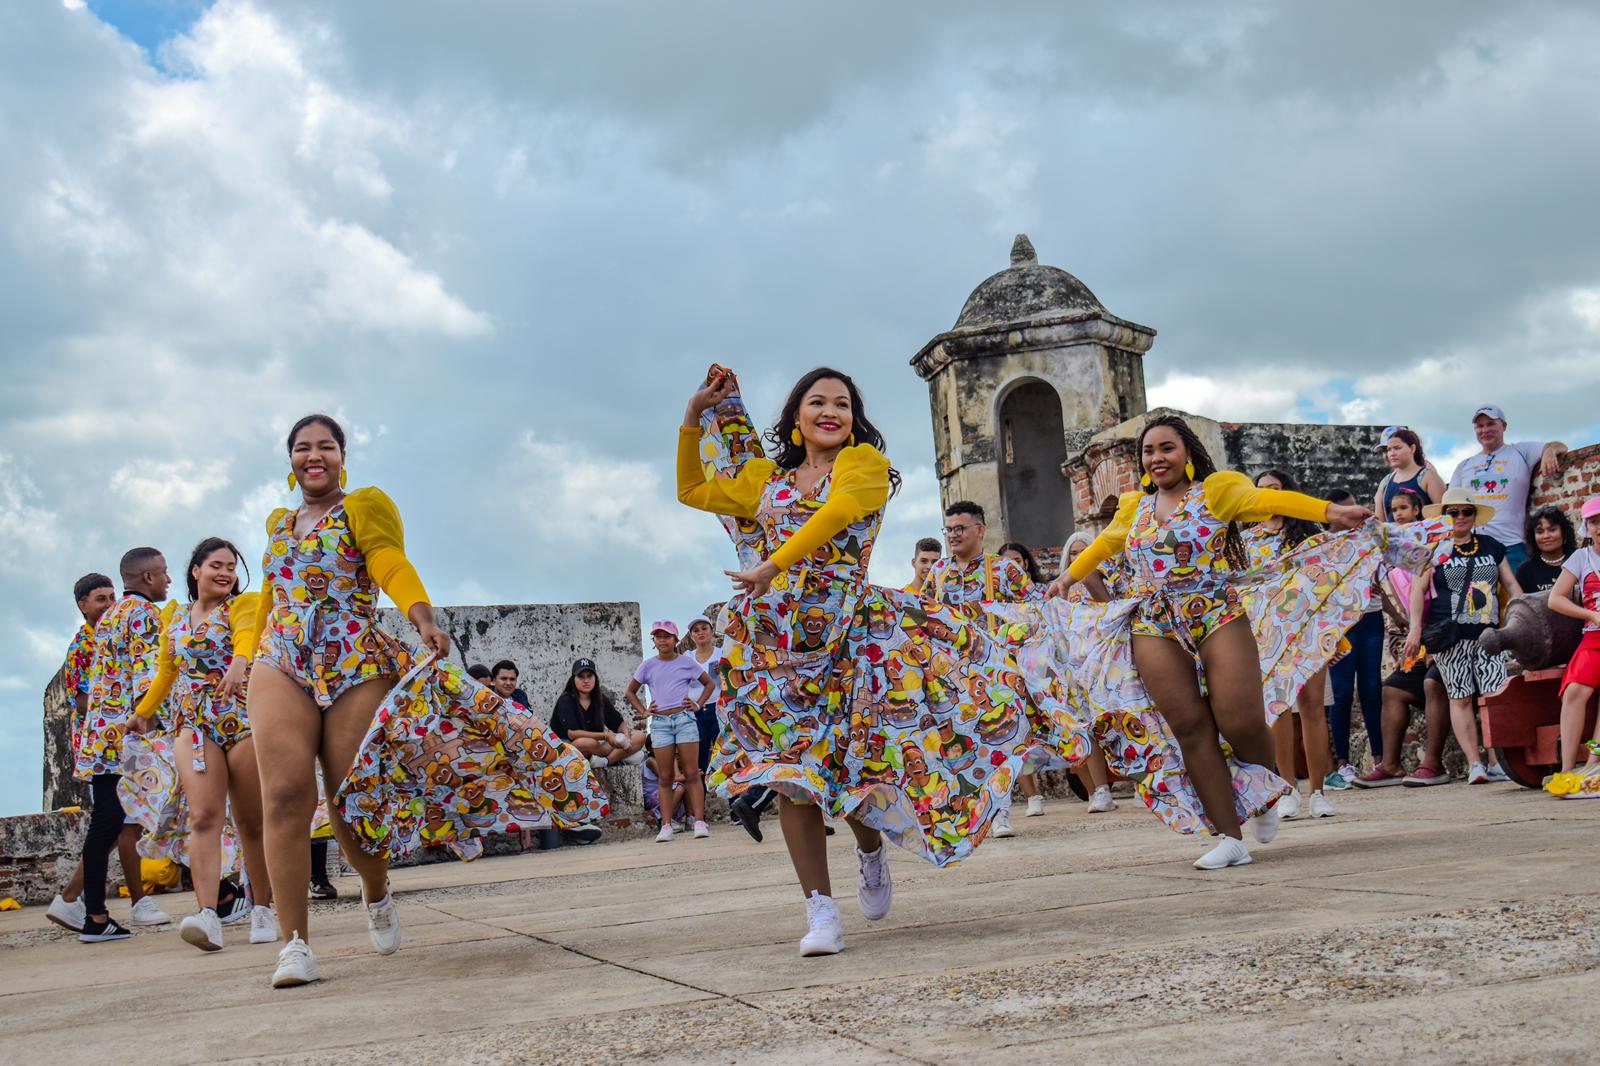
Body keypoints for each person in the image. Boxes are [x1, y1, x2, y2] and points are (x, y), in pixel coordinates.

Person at [681, 364, 1070, 955]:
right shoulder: (766, 480)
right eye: (817, 402)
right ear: (795, 418)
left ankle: (870, 852)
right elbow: (693, 490)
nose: (830, 411)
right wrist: (692, 417)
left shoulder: (862, 466)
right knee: (792, 779)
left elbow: (838, 515)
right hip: (775, 646)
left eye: (842, 403)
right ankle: (820, 912)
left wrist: (772, 564)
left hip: (851, 640)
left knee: (852, 774)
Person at [246, 413, 606, 988]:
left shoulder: (363, 505)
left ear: (342, 455)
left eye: (326, 446)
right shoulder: (276, 523)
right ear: (289, 459)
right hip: (281, 657)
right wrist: (245, 655)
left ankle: (375, 888)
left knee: (349, 798)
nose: (314, 456)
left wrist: (421, 615)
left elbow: (389, 562)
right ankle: (294, 945)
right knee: (285, 794)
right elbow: (270, 595)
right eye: (302, 448)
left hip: (351, 655)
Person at [1047, 414, 1391, 870]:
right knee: (1190, 727)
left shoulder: (1216, 492)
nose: (1157, 458)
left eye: (1166, 448)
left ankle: (1268, 796)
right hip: (1155, 622)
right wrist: (1065, 579)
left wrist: (1331, 512)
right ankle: (1230, 837)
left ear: (1187, 451)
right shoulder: (1134, 509)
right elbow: (1106, 544)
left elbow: (1267, 498)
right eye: (1149, 452)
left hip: (1216, 613)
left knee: (1239, 720)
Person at [133, 537, 277, 952]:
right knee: (204, 818)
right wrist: (142, 713)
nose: (225, 573)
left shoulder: (241, 606)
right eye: (216, 564)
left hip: (242, 722)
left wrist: (238, 663)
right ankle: (208, 914)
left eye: (231, 566)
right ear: (195, 570)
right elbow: (166, 671)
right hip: (193, 727)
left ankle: (262, 907)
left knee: (252, 821)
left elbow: (247, 637)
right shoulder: (174, 617)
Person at [70, 548, 175, 941]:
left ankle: (93, 915)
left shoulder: (110, 617)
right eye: (163, 573)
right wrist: (156, 729)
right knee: (163, 811)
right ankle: (93, 917)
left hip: (100, 736)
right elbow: (149, 678)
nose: (167, 580)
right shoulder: (145, 616)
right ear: (147, 578)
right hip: (128, 737)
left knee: (107, 825)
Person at [1405, 487, 1523, 784]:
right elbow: (1417, 590)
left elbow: (1511, 584)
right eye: (1453, 512)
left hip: (1488, 633)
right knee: (1459, 696)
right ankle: (1475, 763)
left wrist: (1521, 619)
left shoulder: (1492, 546)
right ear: (1444, 517)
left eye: (1466, 512)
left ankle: (1498, 761)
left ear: (1474, 517)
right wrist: (1415, 630)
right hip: (1451, 632)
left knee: (1494, 695)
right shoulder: (1434, 550)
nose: (1460, 517)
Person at [1243, 470, 1337, 819]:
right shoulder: (1245, 542)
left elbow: (1330, 584)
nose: (1270, 495)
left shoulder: (1311, 537)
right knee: (1278, 711)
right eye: (1263, 490)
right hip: (1266, 636)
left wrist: (1334, 631)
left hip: (1310, 630)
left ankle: (1318, 791)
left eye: (1276, 489)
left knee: (1312, 707)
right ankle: (1287, 790)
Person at [1353, 489, 1449, 788]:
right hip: (1417, 644)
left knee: (1434, 681)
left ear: (1419, 510)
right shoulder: (1389, 565)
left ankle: (1433, 763)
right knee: (1392, 689)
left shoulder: (1438, 552)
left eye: (1404, 508)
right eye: (1393, 509)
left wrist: (1430, 643)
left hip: (1447, 641)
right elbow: (1396, 618)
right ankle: (1390, 765)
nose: (1399, 514)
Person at [44, 574, 123, 934]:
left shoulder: (107, 638)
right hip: (104, 747)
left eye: (112, 597)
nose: (109, 604)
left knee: (116, 824)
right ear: (83, 605)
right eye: (100, 599)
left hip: (114, 744)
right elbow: (85, 702)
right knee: (109, 823)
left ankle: (78, 901)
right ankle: (85, 907)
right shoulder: (83, 648)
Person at [1448, 405, 1567, 573]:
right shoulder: (1464, 465)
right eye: (1480, 426)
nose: (1485, 430)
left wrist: (1548, 452)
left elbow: (1559, 446)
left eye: (1490, 424)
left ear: (1503, 426)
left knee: (1516, 597)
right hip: (1473, 545)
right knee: (1476, 598)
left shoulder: (1520, 451)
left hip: (1511, 544)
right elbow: (1449, 505)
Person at [627, 621, 716, 842]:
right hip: (660, 723)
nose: (663, 640)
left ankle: (699, 821)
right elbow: (630, 691)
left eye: (667, 636)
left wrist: (698, 704)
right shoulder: (648, 666)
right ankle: (666, 825)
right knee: (665, 776)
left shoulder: (686, 662)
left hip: (684, 719)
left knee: (692, 772)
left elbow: (709, 684)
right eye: (658, 637)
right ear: (654, 641)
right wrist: (644, 711)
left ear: (675, 639)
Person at [1324, 488, 1386, 790]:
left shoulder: (1368, 539)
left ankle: (1380, 759)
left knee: (1373, 687)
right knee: (1342, 691)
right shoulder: (1325, 545)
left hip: (1371, 618)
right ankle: (1343, 763)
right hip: (1342, 623)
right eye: (1347, 511)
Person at [1548, 497, 1600, 779]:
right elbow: (1555, 599)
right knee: (1575, 691)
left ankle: (1595, 761)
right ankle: (1568, 769)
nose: (1599, 527)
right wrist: (1591, 615)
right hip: (1594, 637)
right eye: (1593, 522)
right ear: (1586, 527)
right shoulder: (1582, 558)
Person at [549, 658, 647, 768]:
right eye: (581, 676)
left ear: (595, 678)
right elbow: (572, 734)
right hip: (571, 748)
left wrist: (627, 738)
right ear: (573, 679)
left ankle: (606, 761)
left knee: (640, 736)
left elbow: (619, 724)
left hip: (595, 750)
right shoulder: (566, 699)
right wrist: (606, 736)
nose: (586, 680)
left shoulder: (599, 698)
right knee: (586, 743)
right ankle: (620, 757)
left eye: (589, 676)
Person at [1374, 426, 1445, 520]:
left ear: (1412, 448)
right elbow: (1380, 522)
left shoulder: (1428, 477)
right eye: (1388, 450)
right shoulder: (1385, 483)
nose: (1391, 453)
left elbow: (1444, 516)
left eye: (1397, 448)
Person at [686, 616, 723, 779]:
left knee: (724, 752)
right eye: (696, 630)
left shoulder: (722, 654)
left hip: (719, 708)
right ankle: (699, 800)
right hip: (695, 712)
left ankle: (733, 800)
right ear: (691, 636)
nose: (700, 632)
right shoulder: (687, 658)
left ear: (712, 632)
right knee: (698, 756)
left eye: (704, 628)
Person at [1517, 505, 1577, 593]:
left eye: (1552, 530)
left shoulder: (1578, 562)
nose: (1546, 536)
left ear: (1564, 532)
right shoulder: (1525, 571)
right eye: (1540, 532)